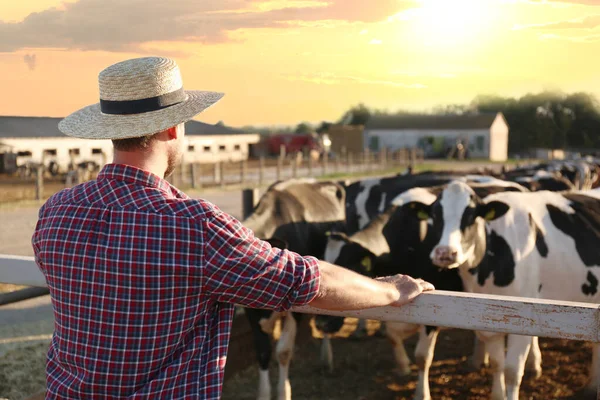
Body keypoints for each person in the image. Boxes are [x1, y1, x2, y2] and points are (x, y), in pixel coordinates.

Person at [32, 56, 434, 400]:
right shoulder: (195, 226)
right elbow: (307, 281)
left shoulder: (56, 211)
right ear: (174, 128)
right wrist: (391, 290)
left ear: (111, 131)